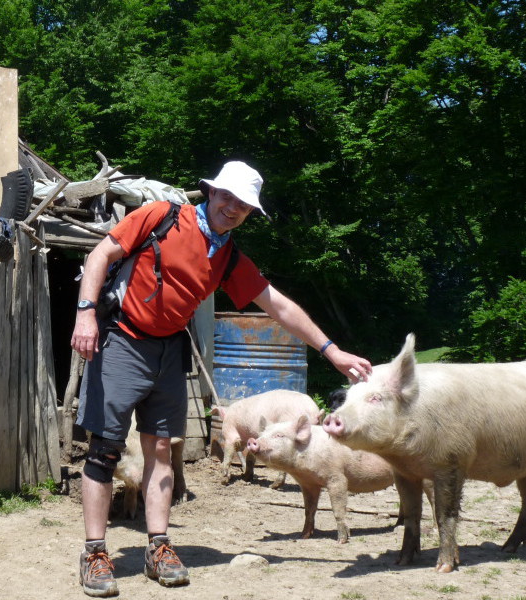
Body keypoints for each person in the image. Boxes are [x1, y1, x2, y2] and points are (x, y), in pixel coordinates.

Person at [70, 160, 373, 597]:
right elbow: (102, 254)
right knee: (105, 450)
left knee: (159, 450)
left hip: (169, 350)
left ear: (250, 214)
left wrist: (332, 351)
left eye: (244, 205)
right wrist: (85, 315)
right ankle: (96, 553)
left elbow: (279, 306)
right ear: (211, 193)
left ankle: (158, 546)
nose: (232, 208)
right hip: (122, 339)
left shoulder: (228, 256)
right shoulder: (161, 216)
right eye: (227, 197)